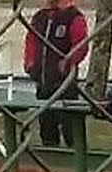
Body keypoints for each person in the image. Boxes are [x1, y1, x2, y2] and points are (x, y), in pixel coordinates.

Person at [23, 0, 89, 147]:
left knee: (71, 126)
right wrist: (30, 63)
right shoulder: (40, 17)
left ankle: (77, 156)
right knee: (47, 126)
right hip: (43, 81)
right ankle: (50, 154)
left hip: (64, 83)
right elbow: (31, 41)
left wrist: (66, 62)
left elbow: (81, 44)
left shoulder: (73, 16)